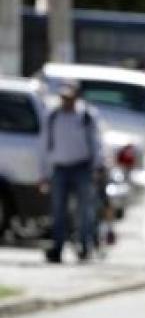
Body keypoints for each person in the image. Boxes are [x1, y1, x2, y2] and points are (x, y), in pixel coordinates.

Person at [39, 80, 105, 263]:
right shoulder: (52, 115)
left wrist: (97, 167)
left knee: (84, 210)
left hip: (81, 167)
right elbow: (44, 145)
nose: (66, 101)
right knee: (58, 210)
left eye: (70, 97)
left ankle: (85, 246)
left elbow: (96, 142)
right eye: (63, 97)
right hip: (60, 168)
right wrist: (43, 173)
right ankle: (57, 247)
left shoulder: (86, 116)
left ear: (76, 96)